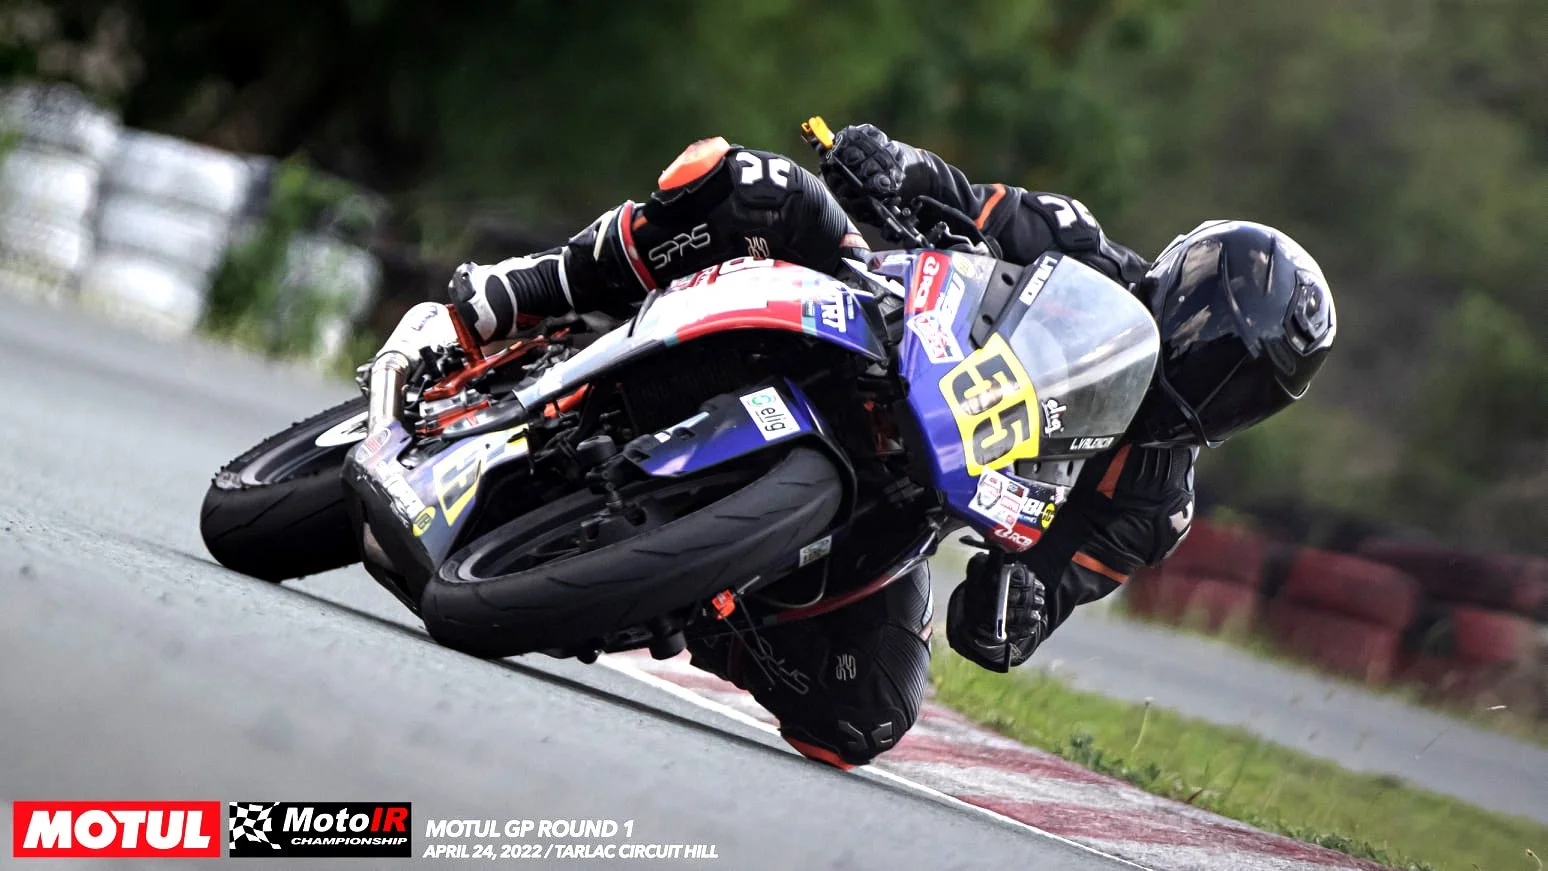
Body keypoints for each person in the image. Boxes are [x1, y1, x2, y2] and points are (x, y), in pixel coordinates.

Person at [407, 124, 1336, 767]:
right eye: (1215, 347)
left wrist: (1015, 609)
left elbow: (1039, 593)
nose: (1211, 382)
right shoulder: (1082, 248)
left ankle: (692, 592)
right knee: (760, 186)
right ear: (1182, 287)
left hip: (906, 500)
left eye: (1243, 385)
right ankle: (534, 286)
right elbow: (962, 198)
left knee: (864, 719)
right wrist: (887, 162)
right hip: (878, 332)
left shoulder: (1152, 504)